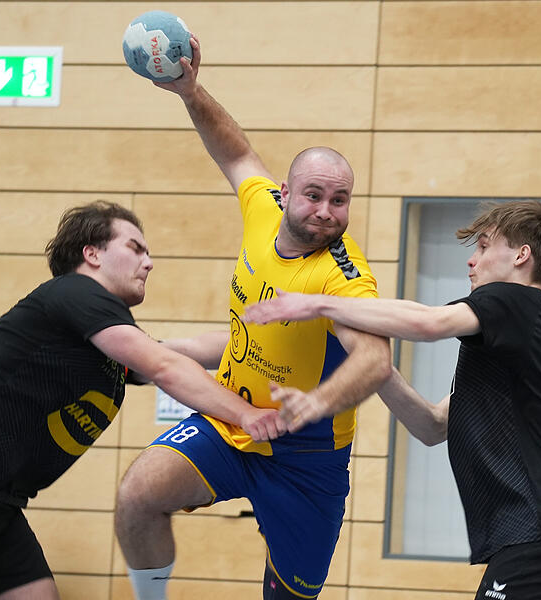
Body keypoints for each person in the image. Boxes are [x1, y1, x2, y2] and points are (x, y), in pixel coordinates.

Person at [0, 201, 287, 600]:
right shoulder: (72, 292)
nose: (149, 262)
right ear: (91, 254)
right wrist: (246, 415)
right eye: (135, 248)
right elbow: (165, 368)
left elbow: (191, 349)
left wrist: (281, 340)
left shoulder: (105, 341)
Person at [115, 36, 392, 600]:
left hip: (308, 459)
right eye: (313, 195)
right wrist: (190, 93)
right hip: (232, 422)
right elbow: (236, 152)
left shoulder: (344, 276)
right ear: (284, 193)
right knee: (138, 497)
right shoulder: (261, 210)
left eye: (339, 201)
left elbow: (376, 358)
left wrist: (317, 403)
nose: (325, 211)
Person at [245, 200, 541, 600]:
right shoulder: (520, 344)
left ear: (522, 256)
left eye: (483, 247)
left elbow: (426, 323)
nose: (472, 260)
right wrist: (372, 366)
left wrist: (318, 303)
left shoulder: (515, 301)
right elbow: (432, 426)